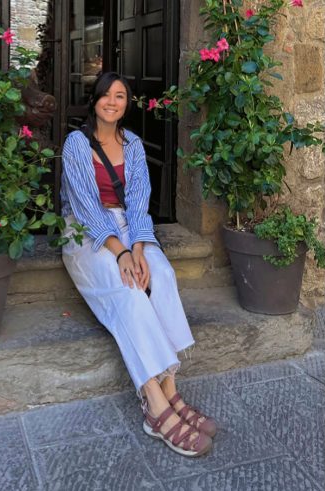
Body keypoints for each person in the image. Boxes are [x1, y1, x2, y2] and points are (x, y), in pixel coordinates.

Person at [59, 71, 216, 457]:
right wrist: (122, 252)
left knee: (160, 274)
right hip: (85, 232)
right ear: (94, 100)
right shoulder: (76, 143)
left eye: (120, 96)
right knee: (129, 289)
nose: (112, 102)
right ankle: (155, 405)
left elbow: (139, 203)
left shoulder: (132, 144)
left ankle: (170, 387)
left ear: (127, 104)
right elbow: (86, 207)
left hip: (130, 228)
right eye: (106, 95)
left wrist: (141, 247)